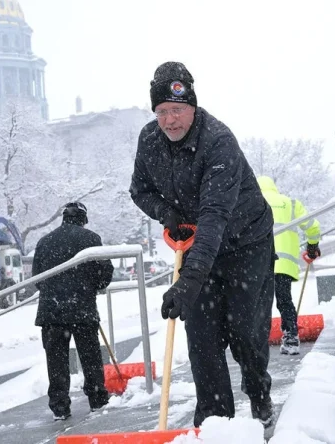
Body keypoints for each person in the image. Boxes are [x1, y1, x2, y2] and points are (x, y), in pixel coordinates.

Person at [129, 61, 277, 428]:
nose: (170, 120)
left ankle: (258, 393)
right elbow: (139, 190)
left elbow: (214, 216)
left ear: (193, 107)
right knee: (202, 339)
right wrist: (167, 214)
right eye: (162, 111)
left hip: (246, 243)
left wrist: (187, 282)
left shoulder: (218, 142)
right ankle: (215, 424)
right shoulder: (149, 141)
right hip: (198, 242)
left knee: (246, 333)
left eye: (177, 110)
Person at [32, 202, 114, 420]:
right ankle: (97, 398)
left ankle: (59, 406)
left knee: (56, 361)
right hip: (82, 310)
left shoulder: (44, 242)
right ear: (83, 219)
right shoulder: (91, 239)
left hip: (52, 312)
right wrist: (89, 287)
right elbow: (105, 274)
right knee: (90, 357)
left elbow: (37, 279)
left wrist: (55, 294)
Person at [256, 176, 321, 355]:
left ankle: (257, 340)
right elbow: (312, 226)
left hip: (258, 263)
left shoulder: (252, 202)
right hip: (283, 264)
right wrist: (312, 245)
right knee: (284, 300)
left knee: (258, 302)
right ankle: (291, 336)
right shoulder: (290, 203)